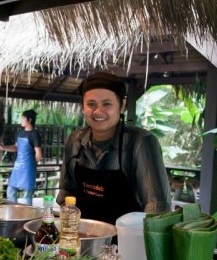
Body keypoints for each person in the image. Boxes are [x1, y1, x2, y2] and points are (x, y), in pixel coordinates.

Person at [56, 72, 172, 225]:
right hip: (83, 239)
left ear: (122, 106)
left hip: (126, 242)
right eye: (91, 104)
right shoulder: (75, 141)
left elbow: (158, 207)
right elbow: (67, 191)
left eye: (106, 104)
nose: (98, 111)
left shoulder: (140, 142)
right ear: (83, 107)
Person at [0, 109, 42, 206]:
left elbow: (38, 154)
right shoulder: (20, 133)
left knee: (27, 195)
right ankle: (14, 212)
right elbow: (16, 147)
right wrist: (3, 147)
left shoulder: (34, 134)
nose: (21, 120)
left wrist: (33, 167)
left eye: (23, 118)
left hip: (29, 167)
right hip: (18, 166)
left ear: (29, 120)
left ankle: (27, 215)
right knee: (11, 190)